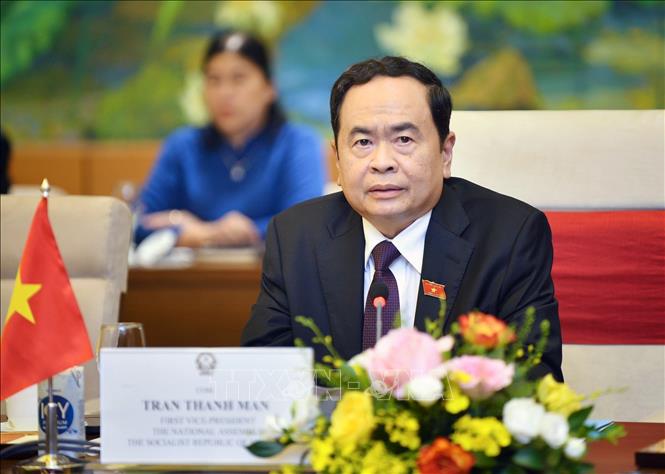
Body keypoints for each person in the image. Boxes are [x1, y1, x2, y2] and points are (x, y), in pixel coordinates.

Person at [241, 56, 563, 381]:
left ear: (445, 153)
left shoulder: (508, 237)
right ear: (337, 159)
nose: (382, 162)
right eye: (363, 142)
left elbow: (533, 381)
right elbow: (260, 377)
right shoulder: (296, 237)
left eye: (404, 140)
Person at [135, 31, 326, 247]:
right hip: (195, 269)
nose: (224, 93)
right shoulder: (182, 146)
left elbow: (304, 224)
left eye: (238, 78)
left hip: (271, 269)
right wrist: (204, 231)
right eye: (214, 80)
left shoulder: (297, 143)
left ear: (269, 88)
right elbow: (138, 224)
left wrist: (242, 231)